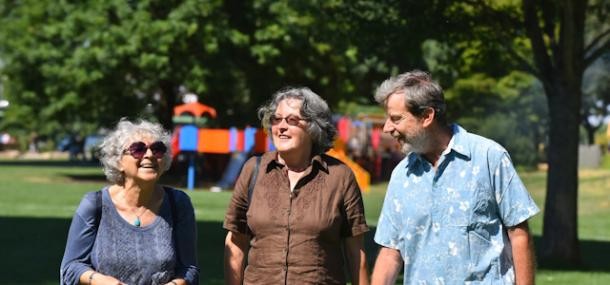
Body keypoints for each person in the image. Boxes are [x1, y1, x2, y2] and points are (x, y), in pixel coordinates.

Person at [370, 71, 540, 285]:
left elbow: (519, 234)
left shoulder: (488, 157)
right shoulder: (401, 175)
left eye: (396, 119)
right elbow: (390, 251)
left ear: (427, 116)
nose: (387, 128)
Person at [223, 87, 370, 285]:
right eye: (276, 119)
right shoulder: (252, 170)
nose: (281, 126)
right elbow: (235, 242)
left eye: (291, 120)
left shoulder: (339, 176)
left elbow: (355, 253)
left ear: (313, 127)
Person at [60, 119, 199, 285]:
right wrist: (100, 281)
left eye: (157, 149)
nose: (149, 155)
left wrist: (175, 284)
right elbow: (71, 267)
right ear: (118, 161)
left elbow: (189, 268)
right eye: (138, 149)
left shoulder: (178, 203)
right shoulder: (95, 204)